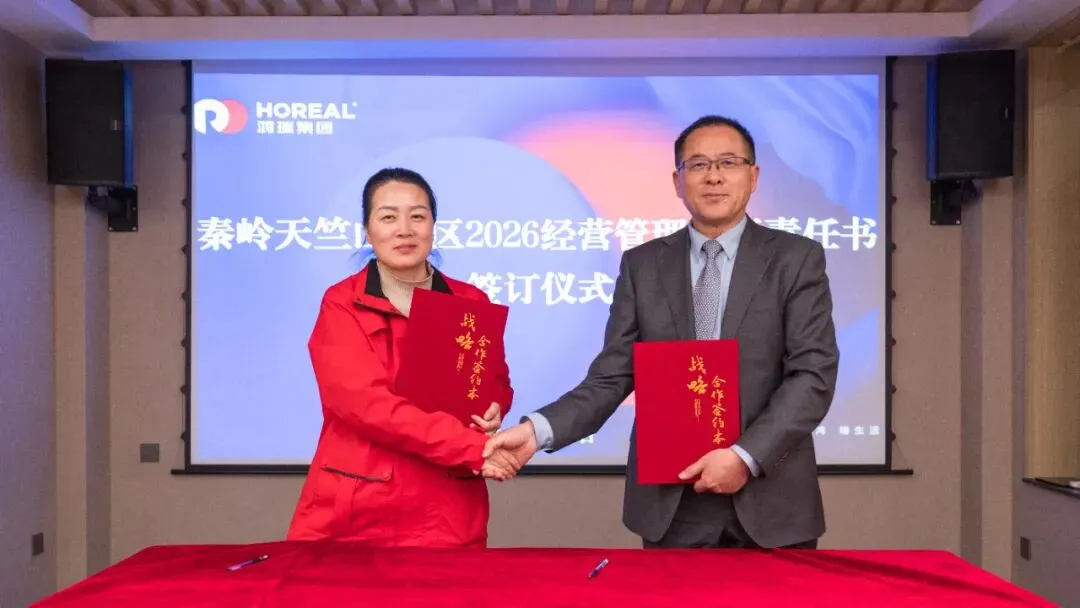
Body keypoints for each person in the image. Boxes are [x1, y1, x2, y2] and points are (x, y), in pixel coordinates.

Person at [485, 115, 839, 550]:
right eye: (698, 164)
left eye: (728, 163)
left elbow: (812, 375)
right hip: (674, 506)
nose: (713, 176)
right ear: (677, 181)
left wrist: (744, 457)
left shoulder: (796, 259)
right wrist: (536, 431)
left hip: (772, 501)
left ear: (753, 176)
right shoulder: (643, 265)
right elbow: (612, 377)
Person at [286, 167, 516, 547]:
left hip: (447, 507)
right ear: (367, 230)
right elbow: (366, 405)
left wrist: (494, 406)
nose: (405, 230)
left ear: (433, 226)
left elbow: (495, 380)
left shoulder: (470, 301)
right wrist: (473, 448)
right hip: (359, 507)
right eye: (389, 217)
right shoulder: (342, 303)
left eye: (418, 216)